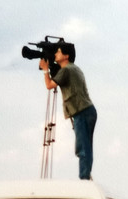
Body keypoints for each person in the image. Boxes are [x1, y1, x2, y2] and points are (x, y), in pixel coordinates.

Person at [39, 43, 97, 180]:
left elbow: (49, 85)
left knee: (82, 148)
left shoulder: (66, 71)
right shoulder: (74, 69)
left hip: (81, 112)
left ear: (66, 55)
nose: (55, 55)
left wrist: (45, 70)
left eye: (58, 52)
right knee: (85, 147)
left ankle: (84, 179)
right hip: (87, 111)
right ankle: (86, 176)